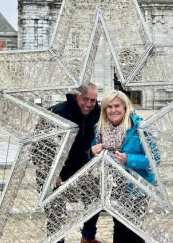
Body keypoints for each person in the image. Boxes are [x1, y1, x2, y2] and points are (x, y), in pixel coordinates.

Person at [90, 90, 156, 243]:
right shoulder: (99, 129)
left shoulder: (140, 128)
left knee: (134, 230)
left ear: (125, 108)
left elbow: (154, 159)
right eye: (109, 107)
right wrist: (92, 153)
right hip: (113, 186)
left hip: (137, 188)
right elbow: (92, 152)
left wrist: (129, 159)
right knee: (118, 227)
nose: (113, 110)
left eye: (117, 106)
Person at [46, 83, 105, 243]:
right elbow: (39, 148)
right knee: (56, 212)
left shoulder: (98, 113)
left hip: (83, 167)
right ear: (75, 96)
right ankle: (56, 241)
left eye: (93, 100)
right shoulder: (57, 113)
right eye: (85, 99)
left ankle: (88, 236)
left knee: (95, 199)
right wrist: (53, 173)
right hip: (57, 170)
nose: (89, 104)